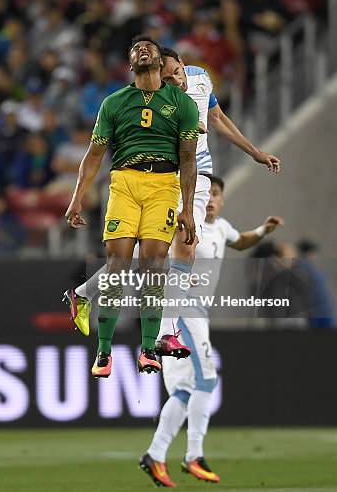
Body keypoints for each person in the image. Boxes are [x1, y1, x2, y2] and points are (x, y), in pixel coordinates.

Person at [67, 46, 281, 356]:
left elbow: (218, 118)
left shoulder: (201, 78)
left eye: (177, 73)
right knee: (143, 256)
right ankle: (94, 299)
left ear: (184, 64)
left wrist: (255, 152)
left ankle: (159, 330)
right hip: (163, 178)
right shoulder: (156, 100)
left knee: (182, 246)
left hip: (197, 173)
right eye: (167, 79)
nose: (175, 81)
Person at [65, 35, 200, 378]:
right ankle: (104, 352)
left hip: (163, 185)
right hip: (124, 183)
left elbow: (188, 159)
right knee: (118, 265)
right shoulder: (113, 103)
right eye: (136, 48)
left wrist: (186, 208)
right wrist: (77, 197)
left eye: (149, 48)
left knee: (154, 265)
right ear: (131, 63)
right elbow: (94, 154)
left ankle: (149, 349)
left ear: (159, 61)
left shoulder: (183, 105)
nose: (142, 50)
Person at [140, 176, 284, 487]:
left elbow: (240, 241)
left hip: (198, 313)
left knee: (185, 389)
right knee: (207, 379)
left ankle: (155, 453)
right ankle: (194, 455)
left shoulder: (221, 227)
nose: (211, 199)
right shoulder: (185, 224)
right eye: (207, 193)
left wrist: (262, 231)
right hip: (182, 310)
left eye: (216, 194)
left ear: (221, 199)